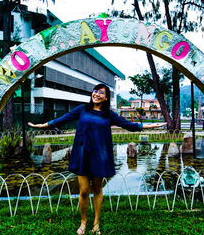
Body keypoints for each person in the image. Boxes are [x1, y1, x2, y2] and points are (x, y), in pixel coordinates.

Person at [28, 84, 165, 235]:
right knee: (84, 190)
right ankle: (83, 222)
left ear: (106, 97)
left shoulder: (108, 114)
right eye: (95, 91)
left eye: (101, 92)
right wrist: (43, 125)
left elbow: (128, 125)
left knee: (97, 189)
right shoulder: (82, 109)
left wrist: (150, 125)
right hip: (82, 154)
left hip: (99, 156)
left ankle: (96, 223)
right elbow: (63, 119)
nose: (97, 94)